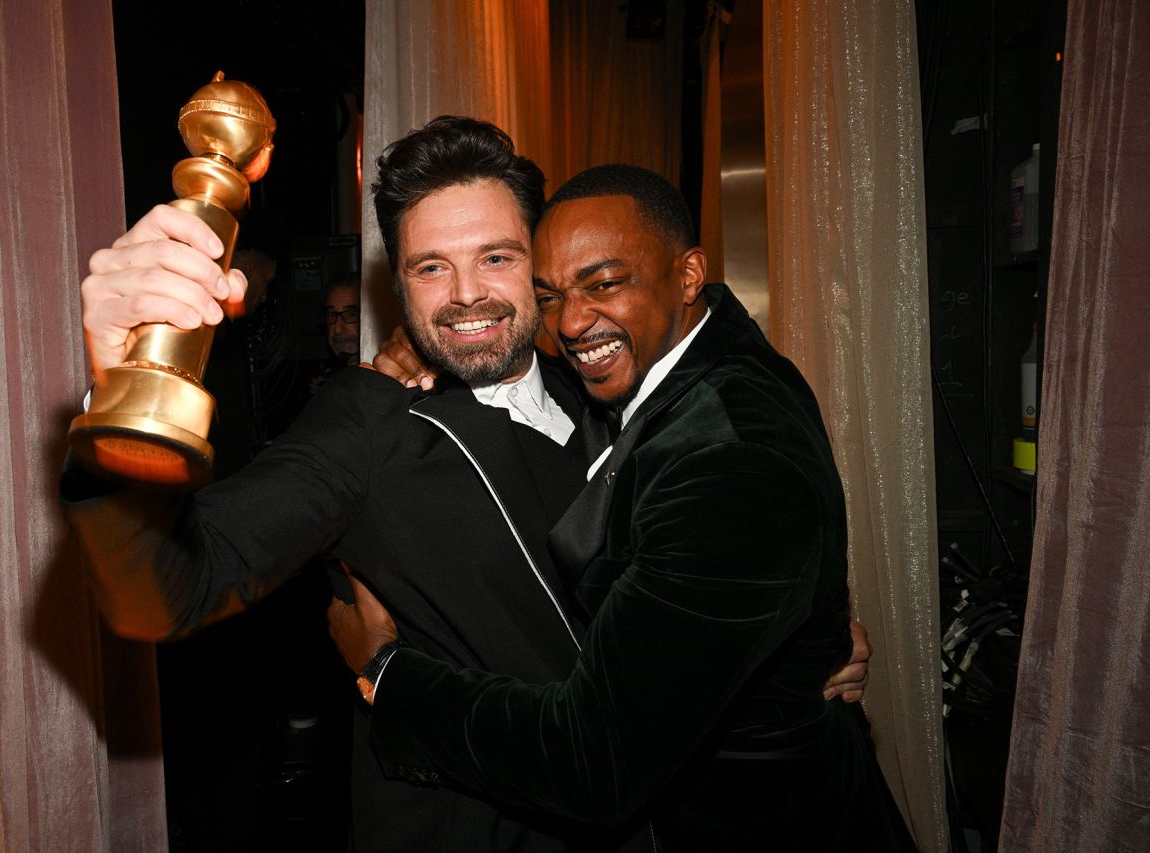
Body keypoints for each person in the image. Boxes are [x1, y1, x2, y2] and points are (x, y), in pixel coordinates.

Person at [64, 118, 868, 851]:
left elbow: (697, 558)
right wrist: (121, 393)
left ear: (540, 262)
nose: (466, 296)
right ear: (400, 285)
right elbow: (169, 587)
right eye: (430, 268)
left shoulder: (605, 383)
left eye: (496, 258)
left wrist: (791, 643)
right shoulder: (368, 424)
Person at [329, 165, 916, 850]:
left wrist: (387, 672)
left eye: (605, 283)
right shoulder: (694, 365)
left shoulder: (724, 455)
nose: (573, 323)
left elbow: (596, 762)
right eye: (550, 296)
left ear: (689, 274)